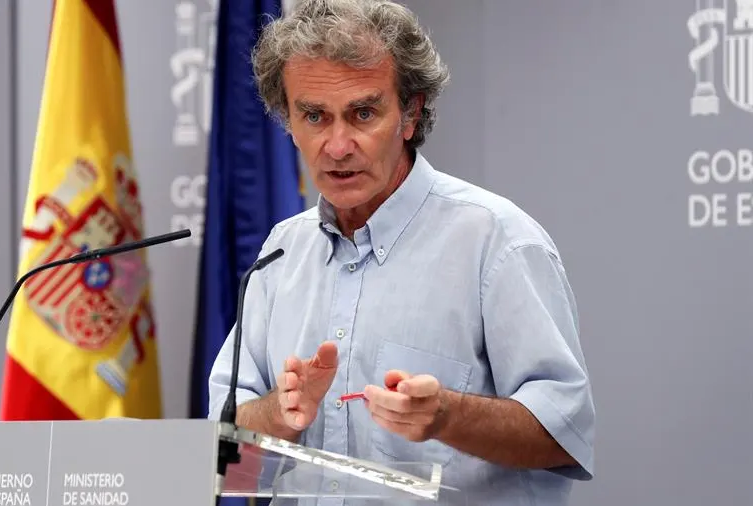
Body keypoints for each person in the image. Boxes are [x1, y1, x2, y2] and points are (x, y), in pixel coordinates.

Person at [207, 0, 595, 504]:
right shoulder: (280, 251)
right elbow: (230, 462)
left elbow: (565, 435)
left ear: (410, 114)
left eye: (363, 113)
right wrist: (278, 414)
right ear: (288, 122)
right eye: (314, 116)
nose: (338, 144)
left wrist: (447, 416)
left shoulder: (494, 240)